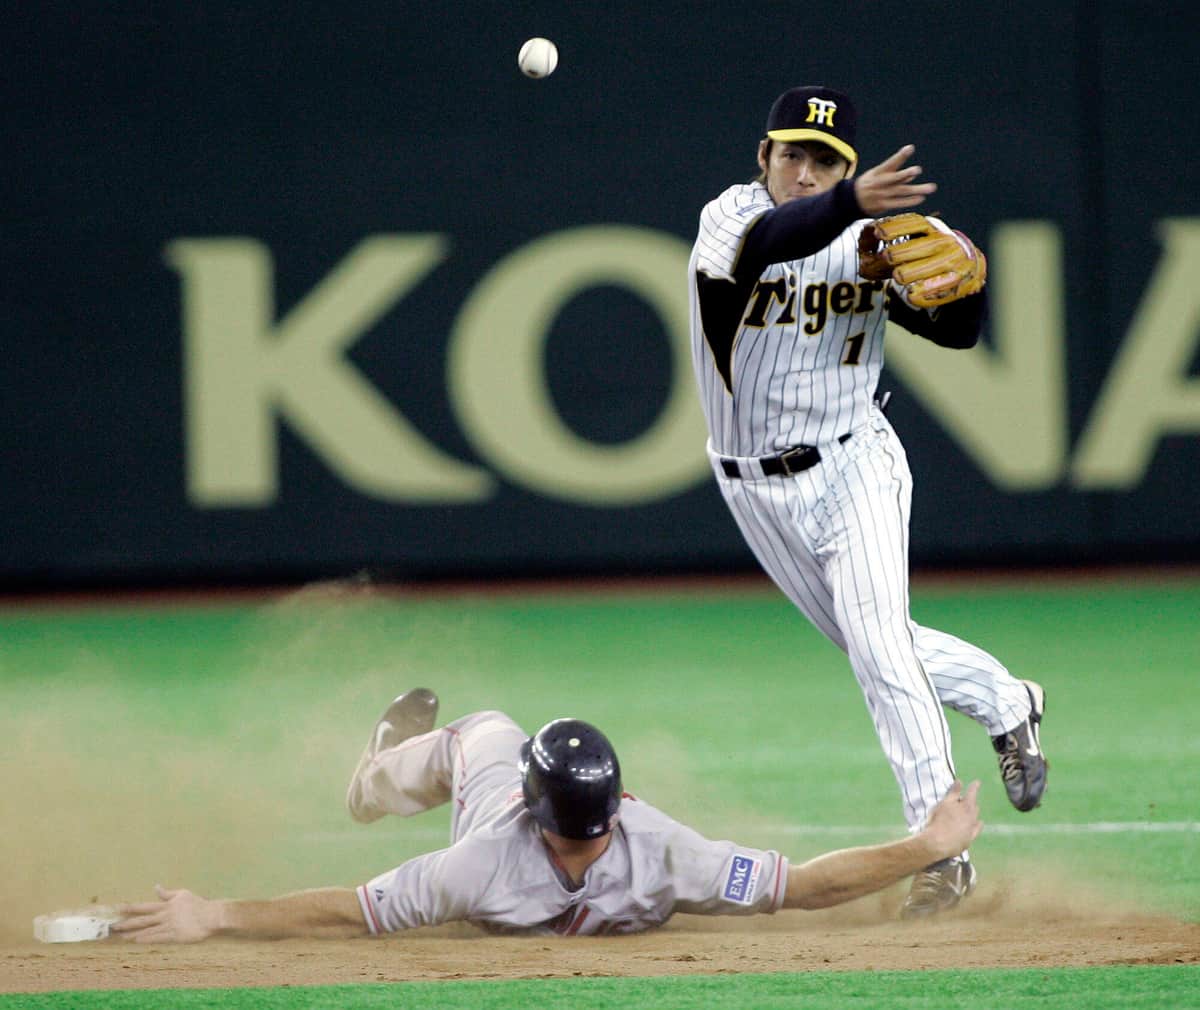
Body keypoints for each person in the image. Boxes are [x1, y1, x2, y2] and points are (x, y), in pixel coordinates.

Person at [686, 85, 1048, 918]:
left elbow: (959, 335)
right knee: (873, 644)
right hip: (753, 486)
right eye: (793, 155)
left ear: (846, 165)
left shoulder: (870, 238)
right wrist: (851, 202)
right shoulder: (730, 221)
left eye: (827, 161)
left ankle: (941, 850)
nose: (806, 173)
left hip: (858, 464)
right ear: (763, 160)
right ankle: (1007, 699)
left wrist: (953, 290)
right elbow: (780, 237)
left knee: (882, 649)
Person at [112, 688, 983, 942]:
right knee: (478, 734)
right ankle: (373, 772)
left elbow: (347, 907)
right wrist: (926, 845)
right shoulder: (478, 861)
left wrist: (212, 912)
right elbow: (807, 887)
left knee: (488, 726)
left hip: (508, 777)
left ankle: (381, 767)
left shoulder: (664, 849)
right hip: (487, 773)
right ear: (618, 801)